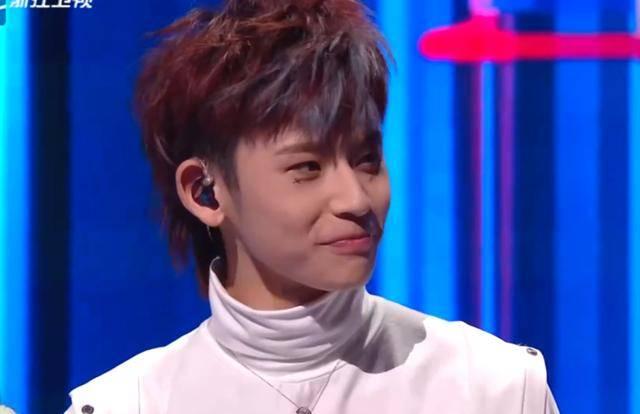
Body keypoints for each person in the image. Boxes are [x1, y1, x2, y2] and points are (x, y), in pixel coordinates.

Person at [64, 0, 560, 412]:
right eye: (307, 167)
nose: (356, 200)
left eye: (367, 160)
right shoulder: (129, 404)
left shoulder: (493, 388)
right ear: (206, 193)